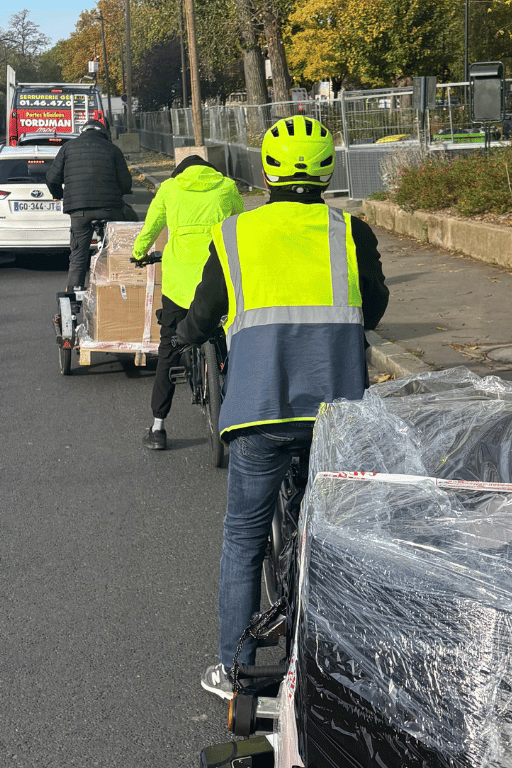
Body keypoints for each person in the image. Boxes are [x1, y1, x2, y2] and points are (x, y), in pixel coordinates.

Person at [175, 115, 389, 699]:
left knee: (244, 539)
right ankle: (336, 654)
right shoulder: (350, 232)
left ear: (266, 169)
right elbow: (373, 311)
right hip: (335, 417)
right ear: (328, 170)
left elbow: (203, 311)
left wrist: (186, 335)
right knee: (333, 536)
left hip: (260, 411)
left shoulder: (236, 233)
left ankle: (236, 668)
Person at [131, 154, 245, 450]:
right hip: (218, 281)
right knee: (233, 341)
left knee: (168, 348)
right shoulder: (226, 187)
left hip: (179, 287)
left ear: (179, 172)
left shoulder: (169, 189)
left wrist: (138, 252)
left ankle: (158, 428)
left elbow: (151, 227)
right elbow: (240, 225)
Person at [45, 119, 137, 290]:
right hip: (109, 209)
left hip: (79, 212)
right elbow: (126, 183)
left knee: (78, 255)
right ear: (104, 134)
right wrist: (119, 191)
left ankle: (73, 298)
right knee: (114, 249)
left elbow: (51, 178)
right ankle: (116, 289)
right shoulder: (113, 149)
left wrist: (59, 195)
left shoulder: (68, 148)